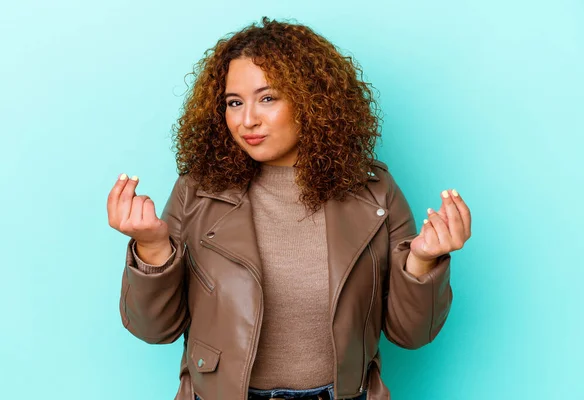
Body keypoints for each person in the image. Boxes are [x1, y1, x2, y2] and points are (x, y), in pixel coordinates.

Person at [107, 17, 471, 400]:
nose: (247, 119)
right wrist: (151, 250)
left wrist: (424, 262)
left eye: (268, 98)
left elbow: (410, 334)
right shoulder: (197, 192)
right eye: (234, 103)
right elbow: (154, 329)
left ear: (311, 99)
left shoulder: (374, 189)